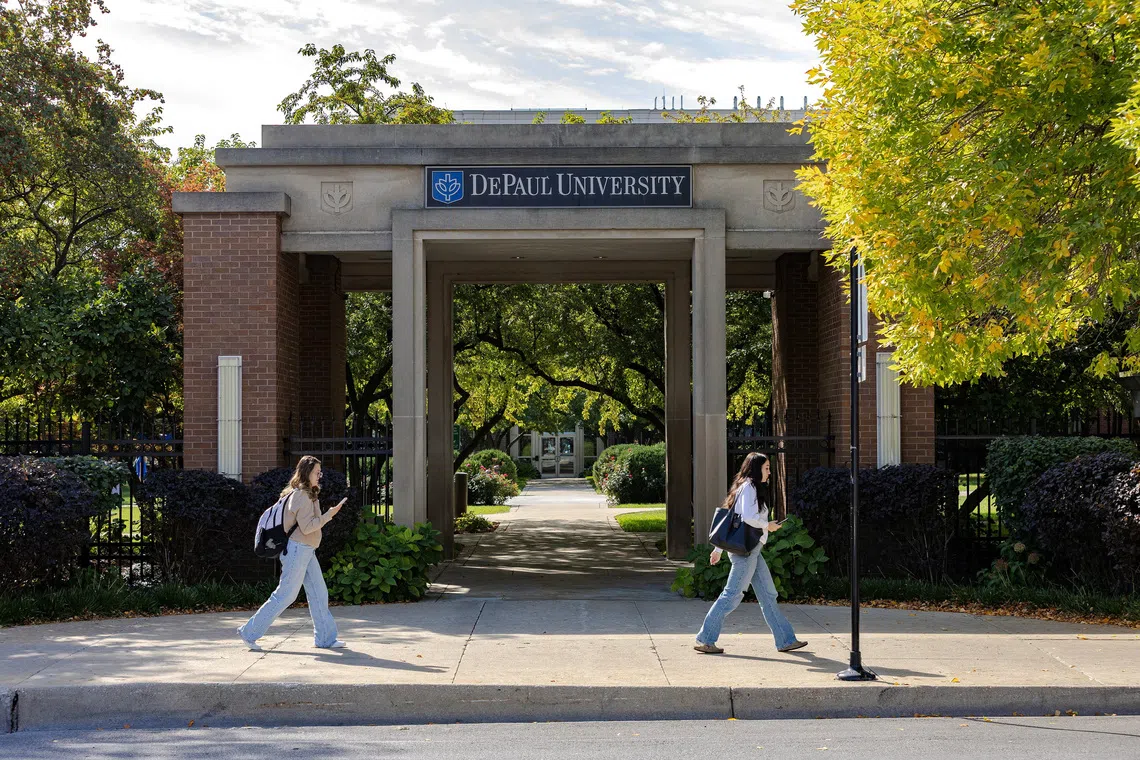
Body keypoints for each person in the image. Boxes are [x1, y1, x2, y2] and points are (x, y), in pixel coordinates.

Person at [694, 451, 807, 655]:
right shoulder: (749, 487)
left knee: (768, 595)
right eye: (766, 468)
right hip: (746, 553)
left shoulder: (748, 487)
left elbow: (731, 519)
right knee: (732, 595)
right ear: (756, 469)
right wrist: (768, 525)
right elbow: (746, 517)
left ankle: (785, 640)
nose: (769, 472)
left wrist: (718, 549)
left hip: (752, 550)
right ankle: (706, 639)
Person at [239, 455, 347, 651]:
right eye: (316, 472)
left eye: (319, 472)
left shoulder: (308, 493)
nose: (319, 476)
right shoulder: (301, 496)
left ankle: (325, 639)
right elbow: (307, 527)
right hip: (298, 550)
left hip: (306, 550)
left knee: (319, 593)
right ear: (307, 473)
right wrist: (329, 515)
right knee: (285, 595)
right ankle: (249, 633)